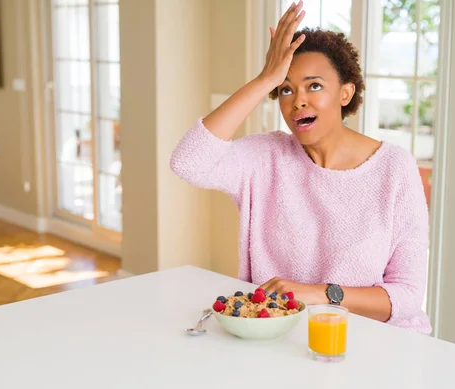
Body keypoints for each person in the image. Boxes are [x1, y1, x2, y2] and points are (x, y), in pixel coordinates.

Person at [170, 0, 431, 334]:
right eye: (286, 89)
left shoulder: (394, 168)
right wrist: (265, 79)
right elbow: (188, 162)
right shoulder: (266, 157)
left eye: (315, 85)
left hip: (380, 341)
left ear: (346, 93)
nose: (298, 101)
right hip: (281, 336)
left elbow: (407, 296)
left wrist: (322, 294)